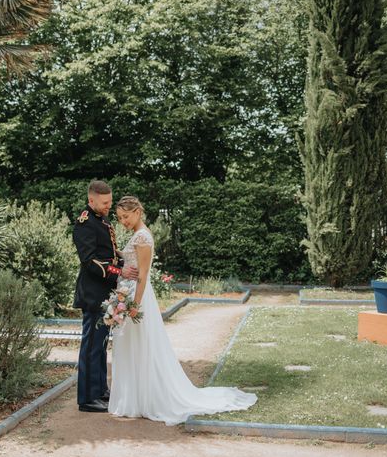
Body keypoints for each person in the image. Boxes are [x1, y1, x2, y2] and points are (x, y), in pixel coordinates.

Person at [109, 195, 257, 425]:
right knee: (132, 346)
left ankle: (144, 399)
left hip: (136, 297)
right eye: (119, 218)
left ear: (138, 211)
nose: (123, 222)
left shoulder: (142, 237)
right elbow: (129, 261)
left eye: (126, 216)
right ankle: (135, 399)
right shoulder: (138, 236)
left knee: (140, 345)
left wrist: (135, 305)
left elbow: (144, 276)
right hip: (126, 293)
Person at [72, 181, 139, 413]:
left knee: (101, 345)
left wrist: (125, 263)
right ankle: (87, 398)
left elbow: (109, 255)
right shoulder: (84, 224)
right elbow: (90, 261)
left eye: (110, 201)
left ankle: (100, 389)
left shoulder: (102, 219)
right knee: (91, 345)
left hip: (105, 292)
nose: (109, 206)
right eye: (105, 203)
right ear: (91, 201)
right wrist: (119, 271)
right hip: (92, 293)